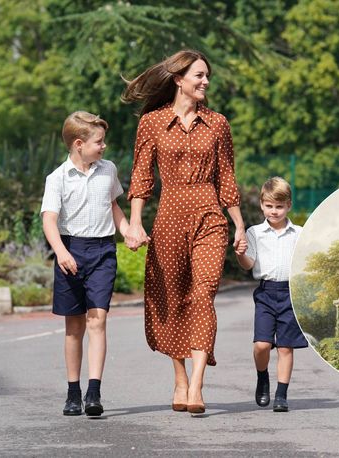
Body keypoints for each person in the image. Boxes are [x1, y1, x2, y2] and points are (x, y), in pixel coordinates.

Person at [122, 49, 247, 415]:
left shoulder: (218, 123)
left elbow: (226, 178)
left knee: (204, 294)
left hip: (210, 215)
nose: (206, 82)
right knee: (172, 297)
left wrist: (239, 224)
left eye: (207, 76)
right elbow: (142, 177)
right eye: (199, 76)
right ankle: (179, 378)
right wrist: (134, 222)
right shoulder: (152, 124)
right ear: (179, 79)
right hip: (170, 216)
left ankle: (196, 385)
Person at [41, 111, 128, 416]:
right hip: (70, 250)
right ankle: (72, 391)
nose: (103, 146)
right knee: (74, 326)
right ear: (79, 144)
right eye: (98, 142)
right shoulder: (57, 179)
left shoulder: (108, 170)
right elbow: (49, 220)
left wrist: (127, 230)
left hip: (103, 251)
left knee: (98, 319)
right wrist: (61, 252)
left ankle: (94, 392)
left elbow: (114, 205)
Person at [235, 177, 308, 412]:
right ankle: (263, 377)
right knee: (262, 345)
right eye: (269, 206)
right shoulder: (255, 233)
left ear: (289, 206)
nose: (274, 211)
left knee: (286, 347)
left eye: (279, 206)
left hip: (291, 293)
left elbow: (307, 262)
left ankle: (282, 394)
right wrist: (239, 253)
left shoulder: (299, 233)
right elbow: (248, 265)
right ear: (261, 205)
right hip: (266, 293)